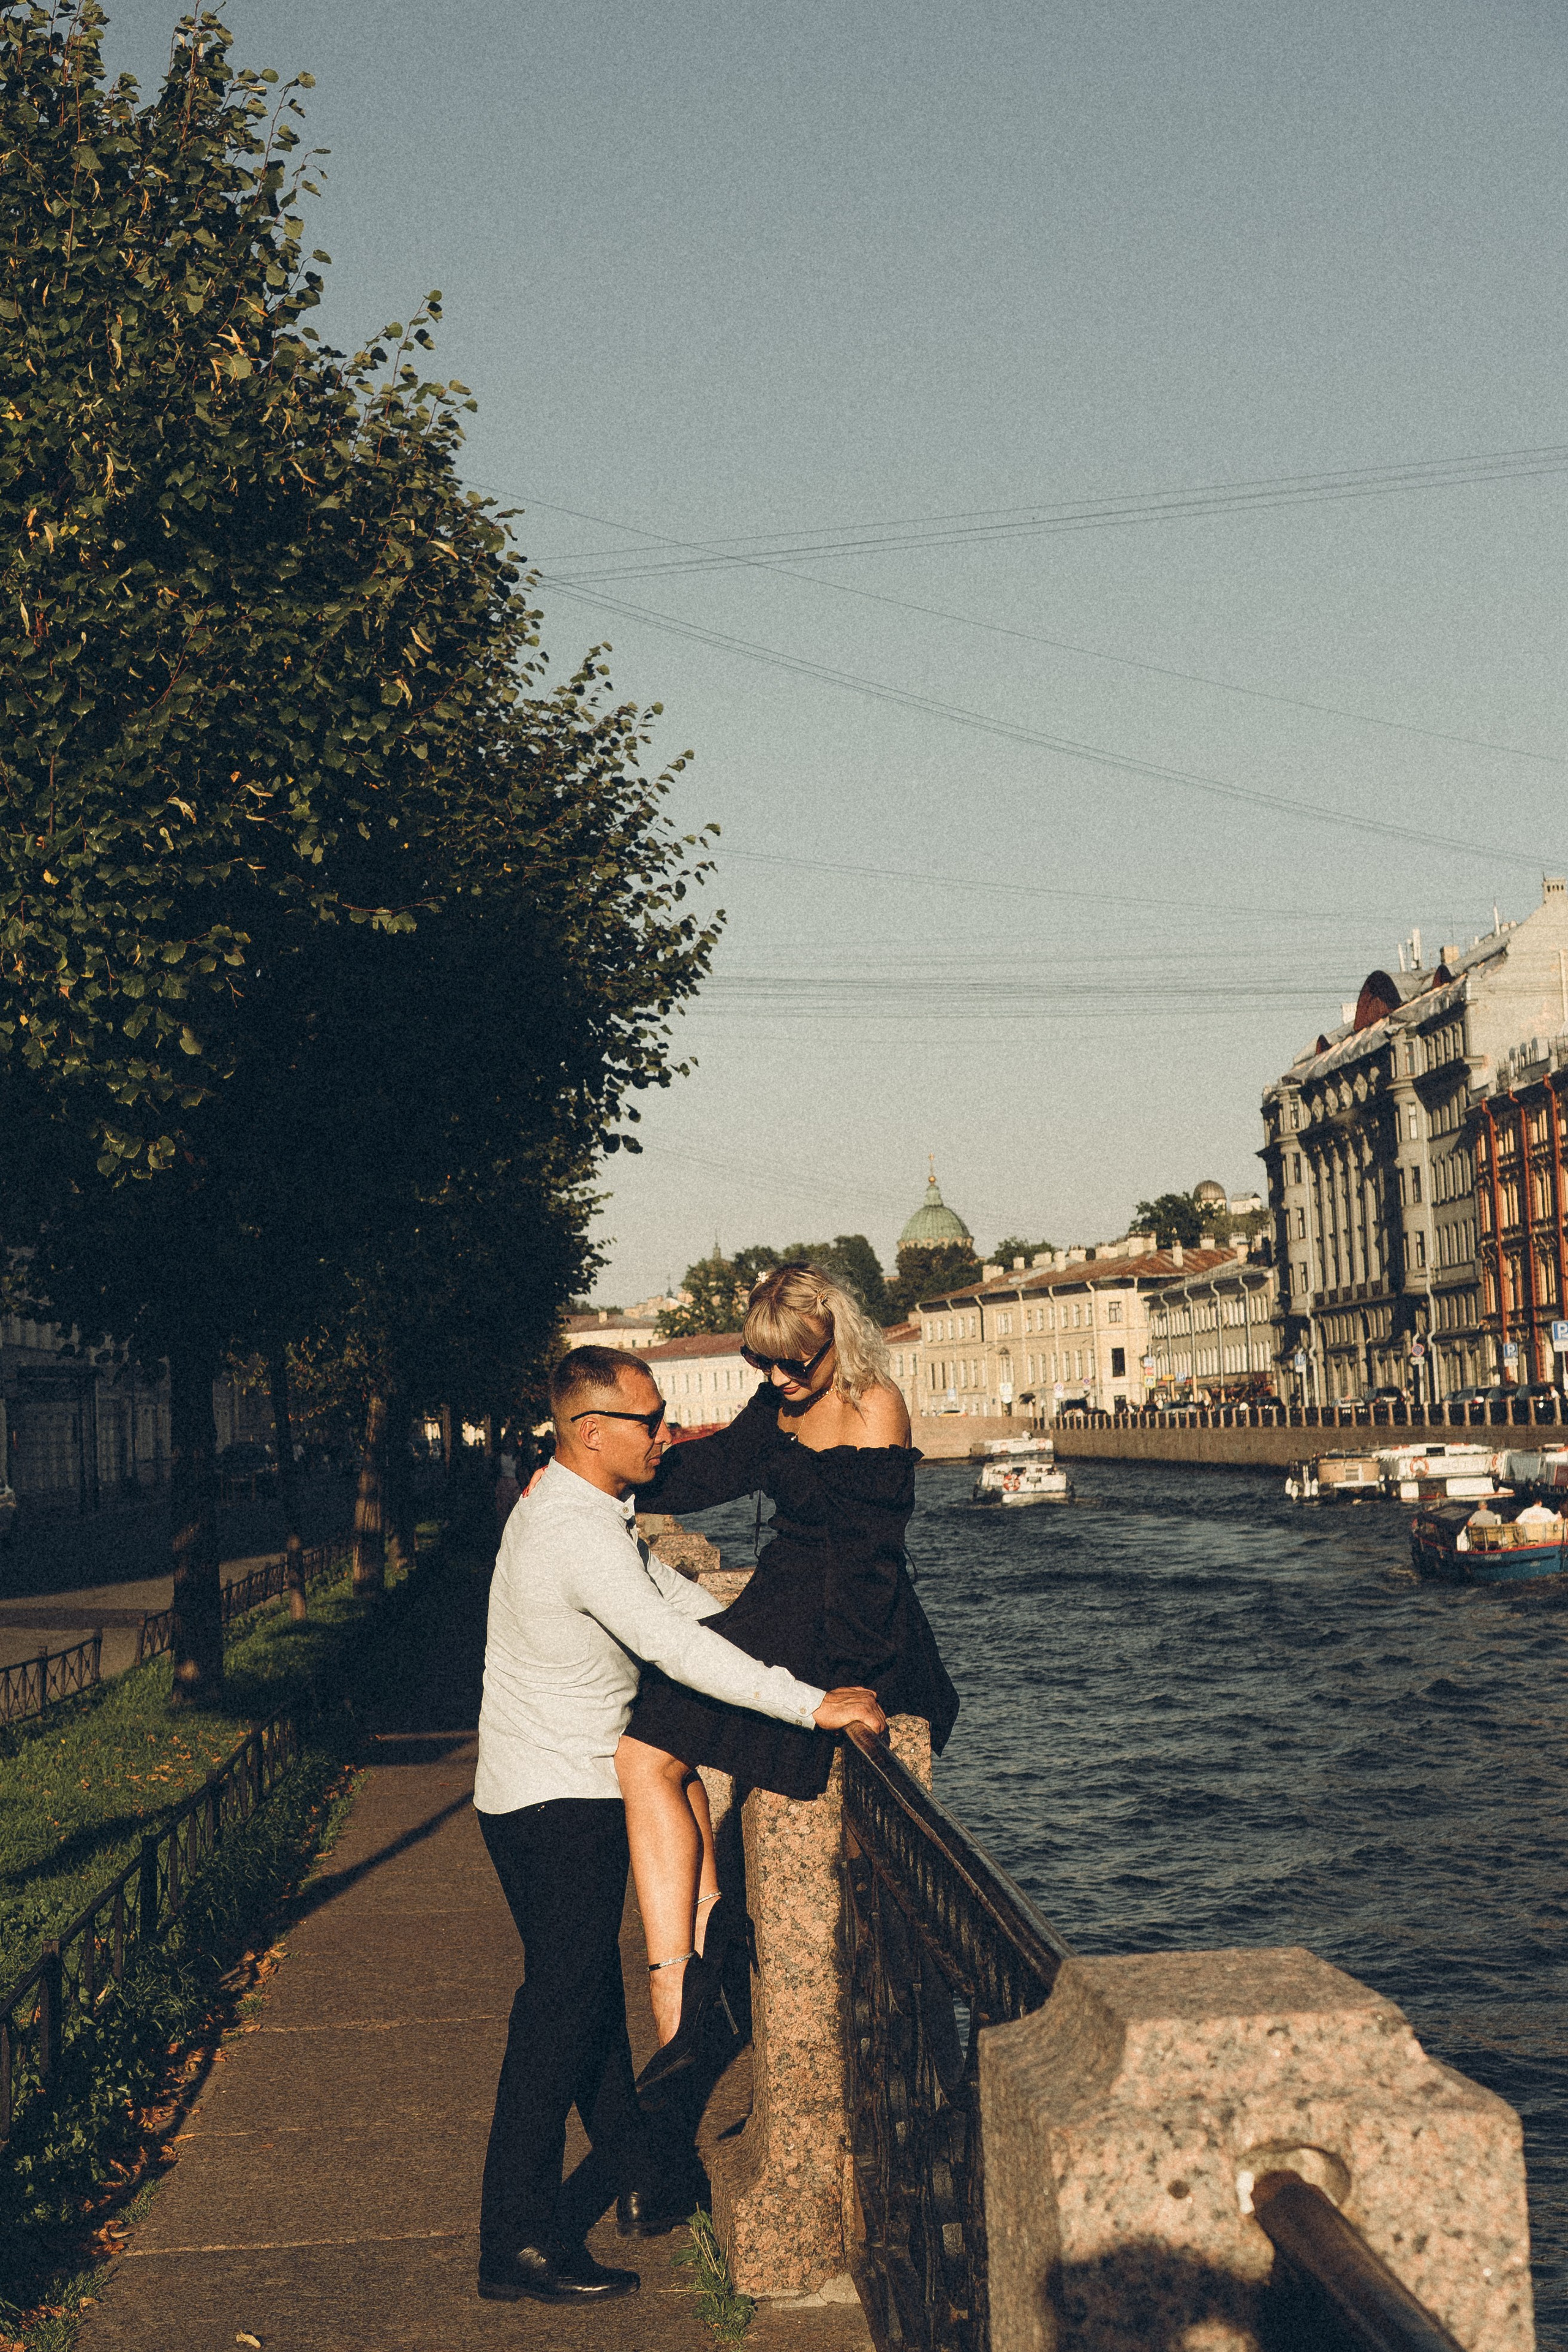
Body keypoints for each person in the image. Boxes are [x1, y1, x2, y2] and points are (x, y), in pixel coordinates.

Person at [472, 1343, 886, 2309]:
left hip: (526, 1795)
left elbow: (684, 1608)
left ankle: (647, 2175)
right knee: (555, 2023)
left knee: (578, 2011)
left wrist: (793, 1653)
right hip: (557, 1802)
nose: (668, 1434)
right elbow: (671, 1648)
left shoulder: (579, 1514)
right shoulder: (576, 1535)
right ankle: (514, 2241)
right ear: (589, 1432)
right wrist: (809, 1707)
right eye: (649, 1421)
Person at [616, 1262, 959, 2093]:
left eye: (794, 1363)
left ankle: (697, 2001)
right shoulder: (779, 1406)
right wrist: (608, 1474)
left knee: (661, 1740)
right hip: (783, 1600)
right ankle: (685, 1989)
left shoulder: (876, 1406)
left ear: (837, 1338)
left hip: (850, 1626)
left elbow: (868, 1564)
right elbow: (710, 1473)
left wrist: (836, 1692)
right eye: (761, 1363)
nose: (778, 1380)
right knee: (648, 1746)